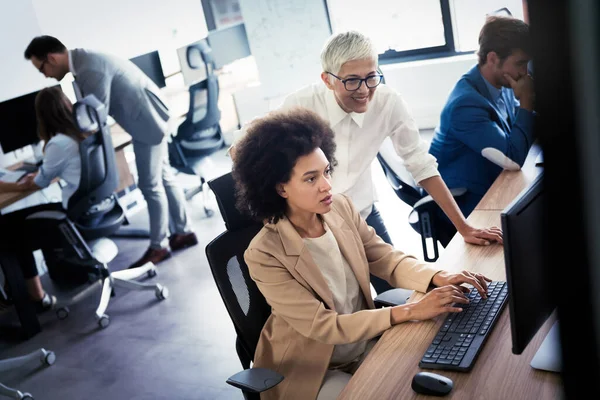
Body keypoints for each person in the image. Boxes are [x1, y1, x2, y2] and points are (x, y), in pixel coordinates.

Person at [232, 108, 493, 400]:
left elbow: (385, 258)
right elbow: (323, 326)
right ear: (281, 188)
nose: (326, 185)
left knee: (446, 363)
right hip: (313, 367)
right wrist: (409, 311)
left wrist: (438, 276)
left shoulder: (339, 208)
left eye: (326, 171)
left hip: (364, 341)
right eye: (310, 178)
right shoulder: (264, 254)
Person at [230, 30, 502, 295]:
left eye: (371, 77)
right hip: (308, 226)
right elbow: (247, 148)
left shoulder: (388, 102)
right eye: (352, 81)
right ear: (327, 80)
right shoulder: (301, 104)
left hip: (360, 214)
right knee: (336, 305)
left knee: (406, 293)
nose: (364, 90)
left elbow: (419, 162)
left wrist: (463, 227)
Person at [24, 36, 197, 269]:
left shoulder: (89, 68)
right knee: (164, 177)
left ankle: (159, 246)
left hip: (147, 124)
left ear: (51, 58)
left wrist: (65, 134)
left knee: (150, 185)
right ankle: (183, 232)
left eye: (41, 68)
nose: (44, 75)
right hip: (150, 117)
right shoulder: (84, 61)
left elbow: (96, 118)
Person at [428, 16, 535, 221]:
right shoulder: (466, 104)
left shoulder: (498, 82)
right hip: (464, 203)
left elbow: (516, 124)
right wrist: (527, 102)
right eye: (520, 63)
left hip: (490, 183)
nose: (524, 72)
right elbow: (512, 159)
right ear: (493, 58)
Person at [0, 87, 85, 311]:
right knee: (15, 223)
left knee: (8, 227)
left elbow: (37, 184)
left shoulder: (57, 144)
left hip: (69, 215)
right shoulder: (79, 133)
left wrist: (9, 184)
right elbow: (47, 175)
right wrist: (39, 174)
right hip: (86, 207)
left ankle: (35, 297)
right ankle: (30, 292)